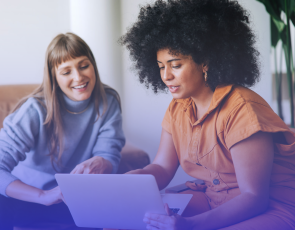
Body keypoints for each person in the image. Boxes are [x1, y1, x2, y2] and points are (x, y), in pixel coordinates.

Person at [119, 0, 295, 229]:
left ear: (205, 62)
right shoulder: (177, 108)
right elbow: (162, 168)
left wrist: (190, 225)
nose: (166, 76)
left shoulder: (242, 109)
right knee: (130, 222)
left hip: (272, 208)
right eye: (161, 66)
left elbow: (254, 198)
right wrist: (132, 180)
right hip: (214, 201)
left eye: (175, 65)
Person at [0, 32, 125, 230]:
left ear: (93, 65)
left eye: (84, 66)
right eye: (66, 72)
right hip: (28, 199)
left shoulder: (108, 101)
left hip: (72, 200)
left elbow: (110, 156)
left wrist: (103, 161)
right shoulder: (34, 110)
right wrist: (43, 196)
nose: (79, 77)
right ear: (54, 77)